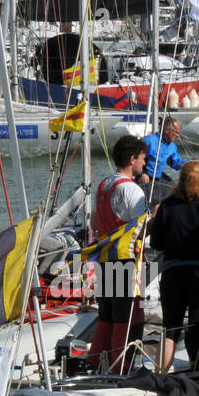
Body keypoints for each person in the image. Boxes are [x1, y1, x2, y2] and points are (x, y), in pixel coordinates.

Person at [148, 160, 199, 372]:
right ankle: (198, 371)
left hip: (173, 271)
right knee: (198, 323)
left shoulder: (167, 206)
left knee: (170, 327)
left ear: (181, 179)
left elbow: (155, 242)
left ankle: (161, 373)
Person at [86, 135, 149, 373]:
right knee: (129, 314)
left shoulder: (104, 185)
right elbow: (141, 228)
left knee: (107, 315)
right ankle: (121, 366)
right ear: (132, 159)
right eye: (142, 159)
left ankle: (96, 360)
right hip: (126, 258)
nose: (144, 164)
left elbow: (94, 222)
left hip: (104, 259)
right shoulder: (132, 190)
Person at [140, 117, 185, 184]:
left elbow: (175, 163)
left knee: (173, 188)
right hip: (144, 175)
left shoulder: (172, 146)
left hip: (158, 177)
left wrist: (194, 162)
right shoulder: (149, 141)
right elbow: (135, 158)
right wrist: (142, 173)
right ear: (167, 130)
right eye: (176, 132)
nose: (178, 136)